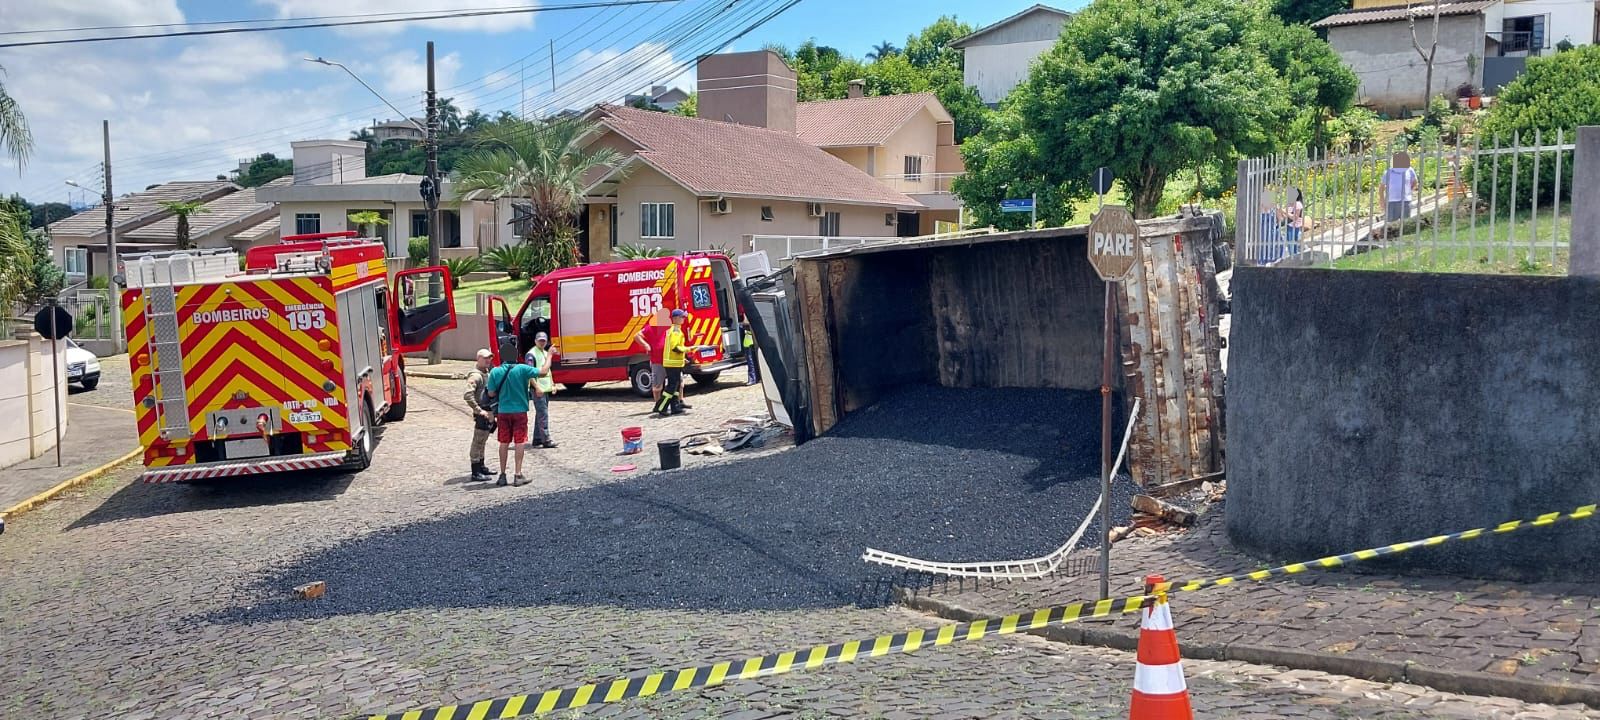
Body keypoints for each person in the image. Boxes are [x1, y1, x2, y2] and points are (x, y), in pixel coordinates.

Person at [486, 337, 538, 486]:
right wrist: (550, 356)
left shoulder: (495, 371)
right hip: (520, 411)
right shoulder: (522, 369)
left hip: (503, 411)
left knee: (503, 442)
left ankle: (502, 475)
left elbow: (490, 393)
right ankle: (517, 474)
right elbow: (542, 371)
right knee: (519, 441)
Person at [655, 309, 708, 416]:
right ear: (675, 319)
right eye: (682, 317)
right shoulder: (675, 331)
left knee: (676, 385)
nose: (683, 319)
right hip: (672, 363)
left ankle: (675, 407)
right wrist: (689, 349)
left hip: (675, 363)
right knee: (671, 386)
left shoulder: (676, 330)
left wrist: (683, 357)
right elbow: (675, 348)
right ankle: (661, 407)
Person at [463, 348, 497, 481]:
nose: (488, 360)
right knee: (478, 441)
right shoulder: (476, 376)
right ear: (478, 359)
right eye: (485, 358)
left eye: (489, 358)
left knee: (483, 440)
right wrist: (478, 410)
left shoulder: (487, 373)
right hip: (482, 412)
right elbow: (467, 395)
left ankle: (482, 466)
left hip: (488, 411)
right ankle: (475, 470)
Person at [523, 332, 558, 449]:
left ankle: (538, 439)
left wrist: (552, 384)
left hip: (545, 389)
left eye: (544, 340)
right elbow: (529, 373)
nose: (542, 342)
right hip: (538, 389)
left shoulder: (544, 353)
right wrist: (536, 387)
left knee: (540, 414)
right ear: (535, 341)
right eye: (540, 340)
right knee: (543, 414)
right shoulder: (531, 355)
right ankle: (546, 439)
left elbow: (548, 371)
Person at [635, 308, 670, 406]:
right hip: (657, 360)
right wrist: (646, 345)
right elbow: (637, 336)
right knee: (657, 385)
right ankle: (658, 405)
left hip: (670, 359)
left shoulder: (668, 327)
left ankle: (679, 402)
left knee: (678, 382)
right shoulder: (650, 328)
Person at [1380, 151, 1419, 224]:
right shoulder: (1388, 172)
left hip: (1406, 201)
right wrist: (1382, 200)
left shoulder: (1409, 170)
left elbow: (1415, 182)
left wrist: (1408, 191)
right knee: (1391, 224)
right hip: (1391, 202)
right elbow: (1381, 187)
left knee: (1406, 223)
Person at [1282, 187, 1305, 257]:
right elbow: (1286, 216)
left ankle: (1293, 258)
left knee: (1292, 245)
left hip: (1294, 226)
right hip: (1289, 225)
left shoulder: (1298, 204)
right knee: (1291, 244)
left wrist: (1284, 211)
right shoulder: (1289, 203)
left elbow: (1295, 217)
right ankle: (1294, 258)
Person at [741, 320, 759, 386]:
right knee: (753, 362)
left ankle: (752, 379)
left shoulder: (749, 323)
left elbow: (745, 325)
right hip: (749, 343)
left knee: (751, 362)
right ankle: (755, 378)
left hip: (749, 344)